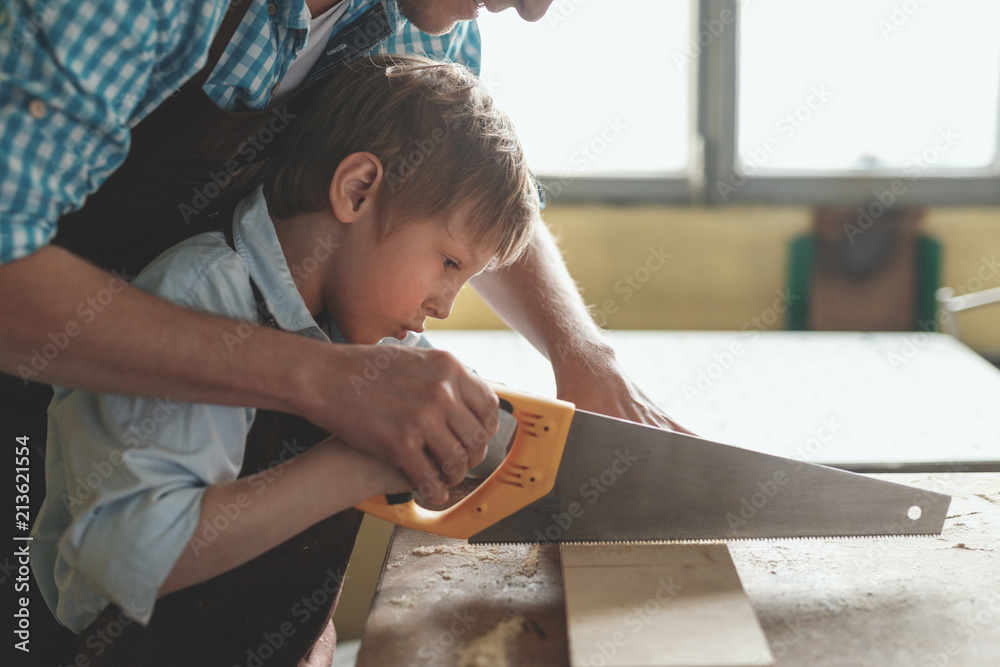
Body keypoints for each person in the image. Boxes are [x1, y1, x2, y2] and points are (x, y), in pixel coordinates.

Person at [0, 0, 687, 509]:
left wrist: (581, 353)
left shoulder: (424, 24)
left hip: (195, 425)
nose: (535, 10)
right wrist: (326, 380)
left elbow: (460, 199)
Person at [31, 54, 539, 665]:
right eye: (449, 264)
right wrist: (360, 463)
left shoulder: (365, 330)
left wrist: (522, 436)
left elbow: (468, 425)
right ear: (357, 191)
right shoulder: (203, 297)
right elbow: (130, 555)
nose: (446, 306)